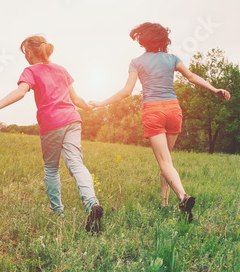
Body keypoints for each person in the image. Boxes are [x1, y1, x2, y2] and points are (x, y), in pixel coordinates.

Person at [89, 22, 230, 221]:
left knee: (164, 162)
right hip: (173, 109)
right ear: (163, 40)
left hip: (153, 110)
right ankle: (164, 203)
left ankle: (182, 196)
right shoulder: (172, 58)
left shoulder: (136, 61)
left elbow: (127, 91)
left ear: (143, 40)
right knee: (167, 161)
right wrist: (214, 89)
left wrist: (101, 103)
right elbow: (190, 76)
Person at [0, 35, 105, 233]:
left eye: (24, 53)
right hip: (73, 119)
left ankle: (57, 211)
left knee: (51, 168)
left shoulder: (30, 70)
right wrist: (89, 107)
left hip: (52, 123)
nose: (25, 57)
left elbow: (21, 92)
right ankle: (91, 203)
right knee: (76, 164)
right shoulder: (61, 69)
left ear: (30, 53)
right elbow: (76, 99)